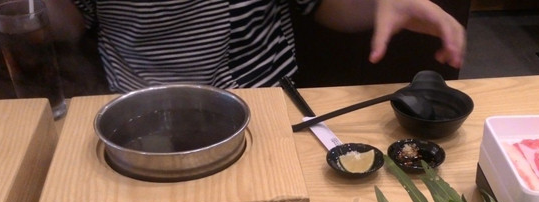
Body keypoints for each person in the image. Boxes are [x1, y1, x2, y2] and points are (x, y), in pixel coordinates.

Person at [42, 0, 465, 93]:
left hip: (263, 101)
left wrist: (384, 5)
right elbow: (71, 23)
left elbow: (323, 6)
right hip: (136, 102)